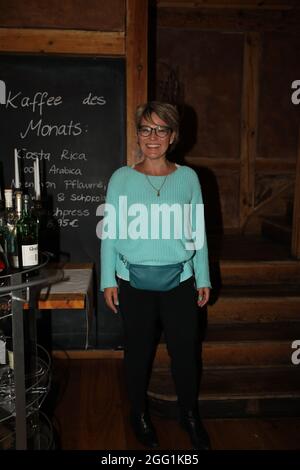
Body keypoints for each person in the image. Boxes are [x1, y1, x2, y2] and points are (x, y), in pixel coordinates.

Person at [100, 101, 211, 450]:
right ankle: (139, 414)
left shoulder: (189, 178)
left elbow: (199, 234)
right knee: (138, 353)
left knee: (185, 354)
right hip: (133, 284)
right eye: (146, 129)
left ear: (173, 136)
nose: (153, 137)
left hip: (180, 282)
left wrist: (203, 277)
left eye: (161, 129)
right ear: (138, 135)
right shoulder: (121, 178)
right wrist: (107, 280)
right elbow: (110, 234)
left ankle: (189, 414)